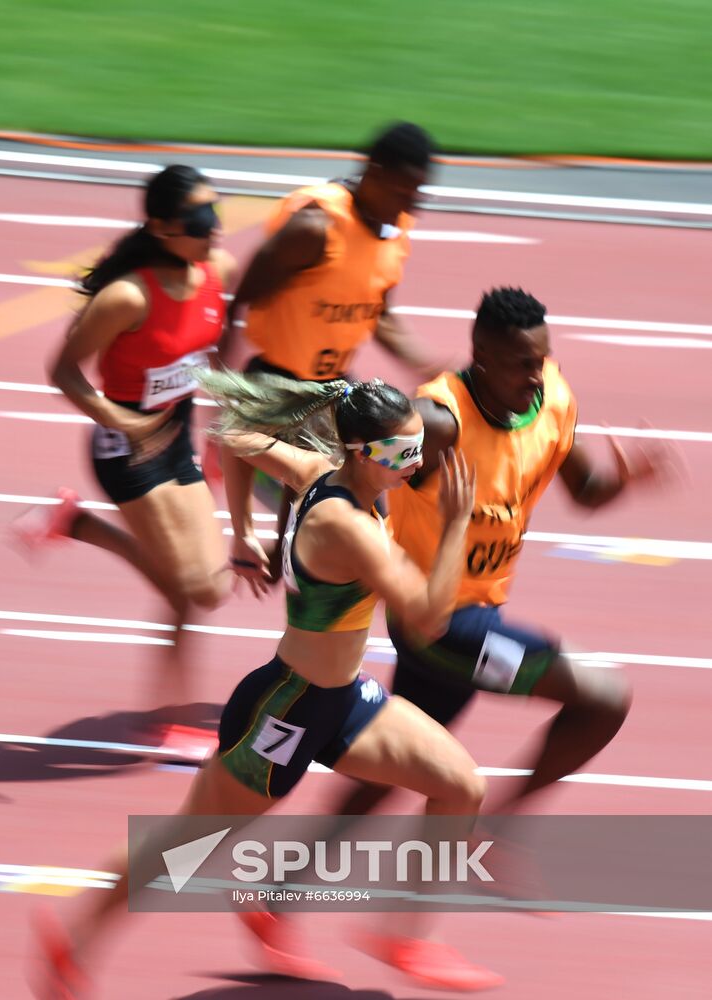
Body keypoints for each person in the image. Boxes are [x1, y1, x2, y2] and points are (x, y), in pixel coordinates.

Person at [34, 375, 503, 996]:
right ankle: (75, 941)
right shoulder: (346, 525)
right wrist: (454, 527)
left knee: (461, 785)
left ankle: (406, 936)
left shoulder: (321, 466)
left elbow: (232, 434)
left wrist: (242, 531)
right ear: (360, 451)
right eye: (400, 455)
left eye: (418, 450)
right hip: (285, 712)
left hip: (342, 700)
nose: (414, 465)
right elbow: (426, 617)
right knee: (186, 848)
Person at [338, 286, 676, 820]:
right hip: (436, 619)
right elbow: (354, 463)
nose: (536, 376)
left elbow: (586, 491)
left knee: (403, 762)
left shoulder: (552, 401)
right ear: (481, 358)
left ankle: (284, 884)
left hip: (480, 610)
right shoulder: (440, 423)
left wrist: (626, 480)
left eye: (541, 360)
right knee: (604, 696)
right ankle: (497, 828)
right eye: (521, 365)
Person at [16, 164, 235, 750]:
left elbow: (213, 350)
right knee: (185, 590)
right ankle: (172, 719)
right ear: (162, 227)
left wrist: (220, 421)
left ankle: (75, 522)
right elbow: (63, 369)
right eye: (198, 220)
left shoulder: (217, 272)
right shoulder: (126, 296)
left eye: (217, 212)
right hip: (127, 448)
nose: (214, 229)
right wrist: (122, 420)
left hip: (179, 435)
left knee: (209, 589)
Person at [207, 121, 443, 575]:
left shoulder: (395, 232)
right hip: (274, 388)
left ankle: (281, 556)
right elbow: (241, 297)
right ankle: (256, 547)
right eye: (405, 190)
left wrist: (429, 362)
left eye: (420, 192)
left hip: (334, 395)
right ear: (375, 171)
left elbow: (381, 314)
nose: (413, 204)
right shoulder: (315, 227)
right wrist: (223, 393)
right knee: (338, 531)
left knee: (366, 528)